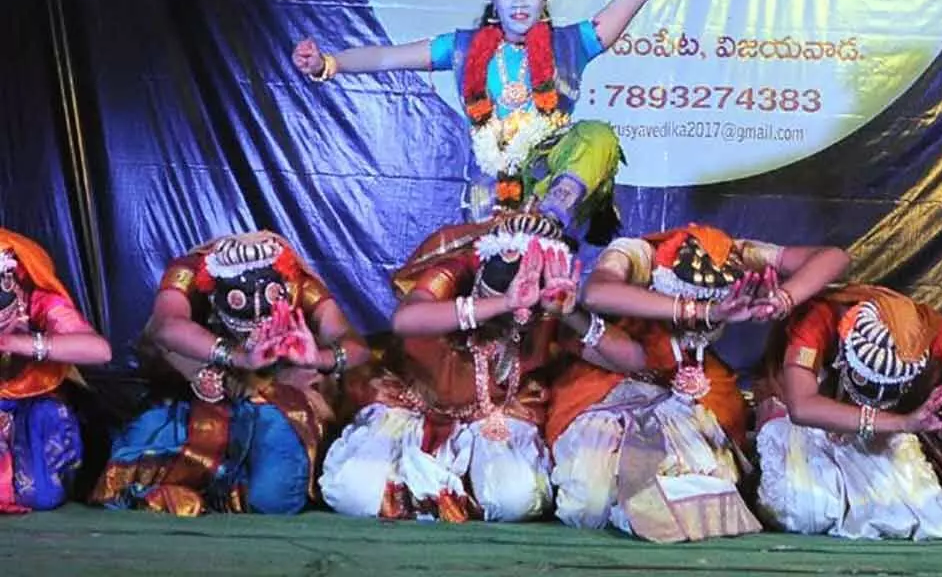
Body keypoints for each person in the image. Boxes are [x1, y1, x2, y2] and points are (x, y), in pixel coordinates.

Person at [292, 0, 746, 240]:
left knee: (599, 134)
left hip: (555, 180)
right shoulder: (464, 48)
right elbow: (388, 58)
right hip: (495, 187)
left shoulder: (573, 43)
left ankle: (551, 213)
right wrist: (328, 63)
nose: (519, 4)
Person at [320, 212, 645, 522]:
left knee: (517, 499)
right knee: (353, 492)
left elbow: (633, 358)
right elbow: (407, 320)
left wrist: (571, 313)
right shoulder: (457, 270)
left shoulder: (548, 308)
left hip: (495, 417)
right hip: (413, 407)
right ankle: (422, 490)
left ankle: (455, 493)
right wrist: (504, 303)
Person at [546, 224, 848, 542]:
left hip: (690, 383)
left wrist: (782, 299)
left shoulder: (739, 254)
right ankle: (641, 498)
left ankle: (651, 500)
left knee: (717, 472)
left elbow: (835, 257)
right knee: (587, 505)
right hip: (615, 380)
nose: (707, 326)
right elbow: (597, 293)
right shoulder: (637, 254)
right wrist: (704, 311)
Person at [91, 231, 368, 515]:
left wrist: (317, 357)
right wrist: (238, 359)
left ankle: (228, 488)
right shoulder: (193, 271)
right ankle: (213, 485)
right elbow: (166, 326)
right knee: (135, 459)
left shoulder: (297, 281)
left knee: (272, 500)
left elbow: (354, 344)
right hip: (202, 394)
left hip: (282, 398)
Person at [754, 284, 942, 541]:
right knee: (806, 512)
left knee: (916, 512)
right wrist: (904, 422)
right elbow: (802, 407)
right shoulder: (820, 319)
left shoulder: (925, 333)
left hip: (882, 435)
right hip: (807, 428)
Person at [0, 228, 111, 512]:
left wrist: (16, 342)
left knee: (40, 495)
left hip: (27, 406)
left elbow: (99, 350)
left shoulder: (39, 302)